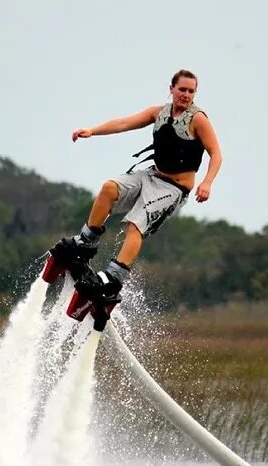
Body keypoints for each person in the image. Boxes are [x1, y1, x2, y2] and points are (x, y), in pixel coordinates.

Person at [51, 68, 223, 306]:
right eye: (182, 89)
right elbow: (124, 123)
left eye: (191, 91)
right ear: (171, 89)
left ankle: (113, 277)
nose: (186, 95)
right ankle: (86, 243)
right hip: (150, 175)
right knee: (109, 188)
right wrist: (92, 131)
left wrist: (207, 182)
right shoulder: (158, 112)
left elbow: (216, 154)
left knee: (135, 224)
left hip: (173, 188)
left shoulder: (198, 119)